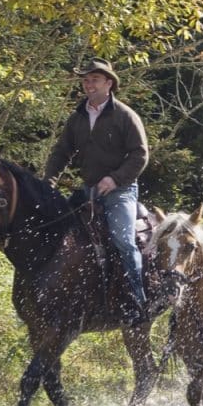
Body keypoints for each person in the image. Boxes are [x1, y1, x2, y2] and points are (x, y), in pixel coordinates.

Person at [44, 58, 150, 325]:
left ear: (109, 83)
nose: (88, 84)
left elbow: (140, 155)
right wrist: (48, 184)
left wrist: (114, 180)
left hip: (121, 191)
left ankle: (138, 302)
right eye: (86, 80)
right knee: (59, 232)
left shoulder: (125, 115)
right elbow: (61, 152)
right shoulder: (77, 117)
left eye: (94, 79)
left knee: (123, 240)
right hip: (88, 189)